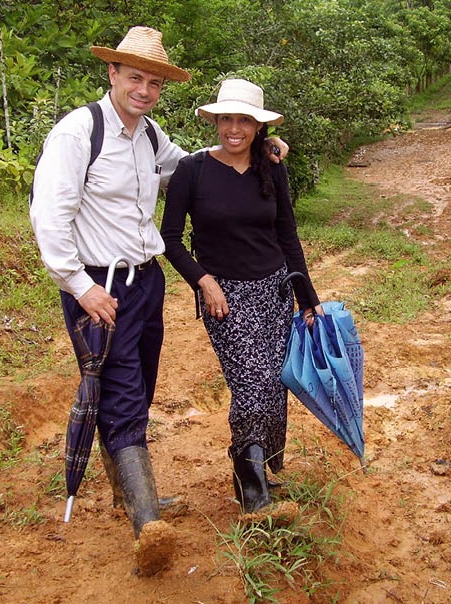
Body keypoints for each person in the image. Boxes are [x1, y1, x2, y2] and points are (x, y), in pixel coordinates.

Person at [29, 27, 286, 575]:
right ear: (113, 75)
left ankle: (131, 494)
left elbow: (195, 164)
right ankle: (148, 524)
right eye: (135, 78)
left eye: (154, 83)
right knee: (120, 391)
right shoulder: (79, 133)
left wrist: (259, 145)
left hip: (146, 281)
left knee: (138, 385)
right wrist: (79, 286)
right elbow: (49, 216)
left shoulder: (149, 135)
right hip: (100, 284)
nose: (144, 90)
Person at [160, 78, 323, 516]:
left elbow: (287, 233)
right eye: (226, 118)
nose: (234, 128)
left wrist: (307, 296)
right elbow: (171, 239)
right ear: (215, 121)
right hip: (225, 297)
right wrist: (203, 281)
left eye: (244, 120)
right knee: (253, 384)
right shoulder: (191, 171)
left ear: (258, 126)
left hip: (273, 290)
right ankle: (252, 492)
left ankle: (264, 470)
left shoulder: (272, 167)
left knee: (275, 383)